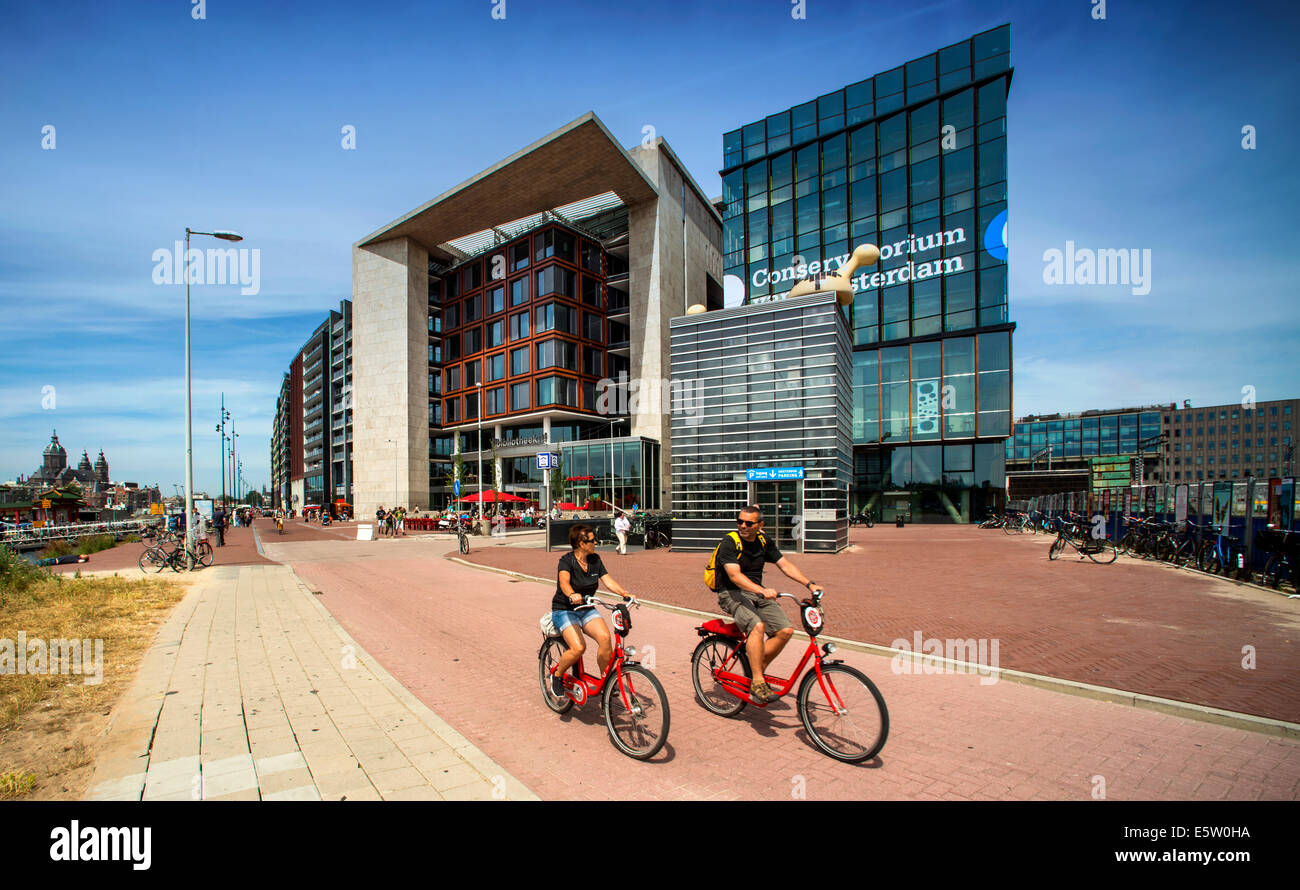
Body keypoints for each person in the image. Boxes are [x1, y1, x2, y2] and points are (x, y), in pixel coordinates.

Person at [712, 505, 823, 704]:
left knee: (785, 630)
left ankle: (757, 669)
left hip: (756, 592)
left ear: (760, 525)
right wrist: (761, 590)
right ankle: (756, 681)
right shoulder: (730, 541)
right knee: (757, 626)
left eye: (748, 523)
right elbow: (734, 576)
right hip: (731, 593)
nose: (742, 526)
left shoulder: (763, 541)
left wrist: (809, 584)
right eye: (740, 522)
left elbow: (784, 564)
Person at [547, 524, 633, 697]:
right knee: (578, 648)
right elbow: (564, 582)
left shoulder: (595, 559)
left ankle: (606, 681)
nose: (596, 542)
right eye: (592, 540)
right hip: (565, 610)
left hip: (586, 608)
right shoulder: (566, 560)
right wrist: (572, 594)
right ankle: (556, 675)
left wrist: (624, 593)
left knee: (605, 638)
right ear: (581, 543)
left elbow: (607, 580)